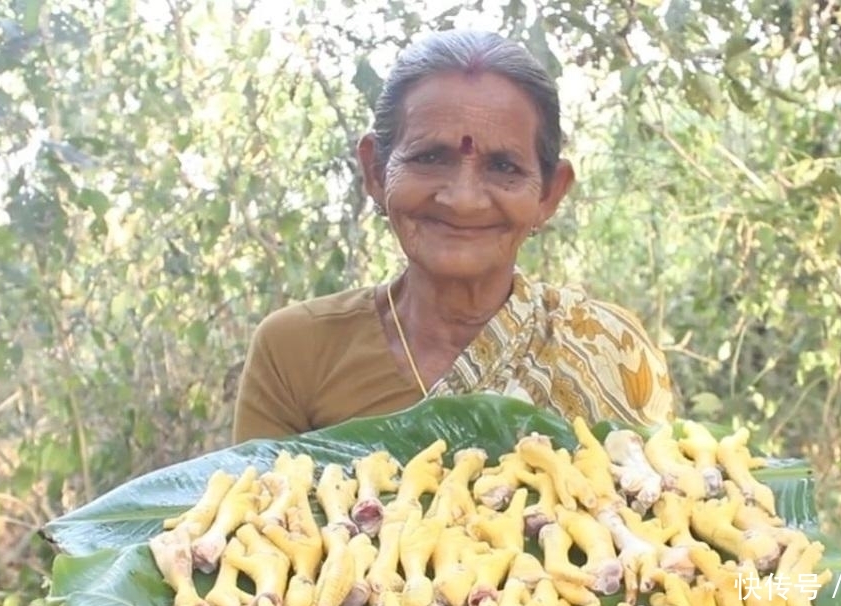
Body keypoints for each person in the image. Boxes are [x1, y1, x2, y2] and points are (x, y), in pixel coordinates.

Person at [231, 29, 678, 444]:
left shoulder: (614, 350)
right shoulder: (298, 350)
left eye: (504, 167)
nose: (463, 200)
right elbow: (251, 518)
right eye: (429, 157)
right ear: (375, 172)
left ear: (550, 193)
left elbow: (670, 512)